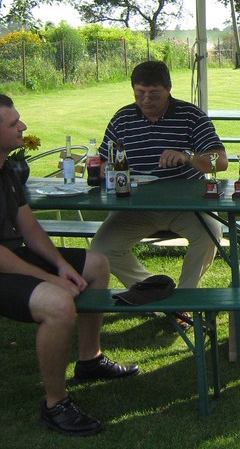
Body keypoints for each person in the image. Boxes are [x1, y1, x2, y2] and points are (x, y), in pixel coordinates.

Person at [0, 94, 139, 436]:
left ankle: (90, 360)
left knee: (96, 264)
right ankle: (55, 404)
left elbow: (29, 226)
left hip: (12, 255)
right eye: (14, 123)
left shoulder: (6, 169)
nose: (23, 127)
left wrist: (61, 265)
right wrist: (49, 279)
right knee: (59, 304)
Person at [91, 61, 228, 291]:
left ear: (168, 90)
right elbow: (103, 158)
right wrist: (104, 167)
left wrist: (187, 157)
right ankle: (154, 290)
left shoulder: (191, 116)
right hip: (135, 205)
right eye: (139, 93)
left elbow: (220, 161)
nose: (146, 100)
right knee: (102, 247)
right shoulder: (123, 119)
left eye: (154, 94)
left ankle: (185, 295)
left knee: (210, 234)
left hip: (185, 205)